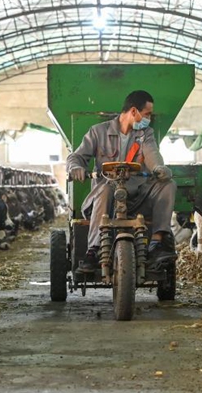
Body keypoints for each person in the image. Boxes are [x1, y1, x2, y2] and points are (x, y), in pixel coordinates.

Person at [66, 90, 177, 274]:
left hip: (136, 198)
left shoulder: (145, 134)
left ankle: (157, 243)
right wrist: (75, 168)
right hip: (106, 199)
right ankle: (94, 250)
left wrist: (158, 168)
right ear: (134, 111)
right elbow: (76, 156)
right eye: (147, 114)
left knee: (168, 185)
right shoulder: (98, 132)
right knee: (105, 189)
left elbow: (152, 154)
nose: (149, 118)